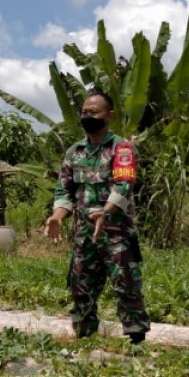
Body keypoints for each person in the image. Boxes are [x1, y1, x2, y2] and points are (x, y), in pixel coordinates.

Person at [44, 91, 151, 343]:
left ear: (109, 116)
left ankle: (137, 342)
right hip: (85, 235)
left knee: (126, 285)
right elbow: (65, 191)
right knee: (80, 286)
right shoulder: (74, 152)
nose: (87, 116)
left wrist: (106, 211)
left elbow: (124, 184)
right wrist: (58, 217)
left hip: (117, 234)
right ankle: (84, 338)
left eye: (94, 112)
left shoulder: (121, 148)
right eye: (84, 112)